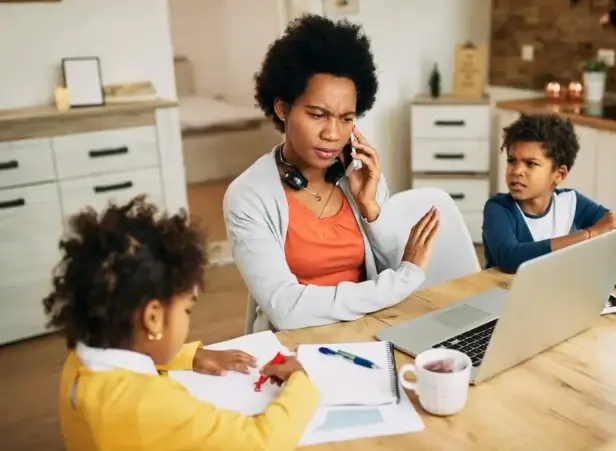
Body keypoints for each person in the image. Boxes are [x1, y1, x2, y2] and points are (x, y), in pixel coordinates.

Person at [44, 196, 320, 450]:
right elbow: (260, 442)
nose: (188, 319)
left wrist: (191, 355)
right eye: (186, 310)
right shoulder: (149, 404)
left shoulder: (80, 363)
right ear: (153, 318)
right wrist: (301, 382)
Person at [224, 14, 440, 332]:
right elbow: (287, 310)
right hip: (292, 348)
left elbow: (396, 267)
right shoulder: (248, 197)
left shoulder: (359, 174)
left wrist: (371, 210)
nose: (333, 134)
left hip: (371, 332)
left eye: (346, 118)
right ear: (282, 109)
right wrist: (401, 282)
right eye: (318, 115)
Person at [482, 113, 616, 274]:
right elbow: (510, 258)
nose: (516, 171)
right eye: (512, 161)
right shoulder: (498, 208)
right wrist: (590, 234)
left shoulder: (571, 202)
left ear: (559, 174)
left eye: (530, 164)